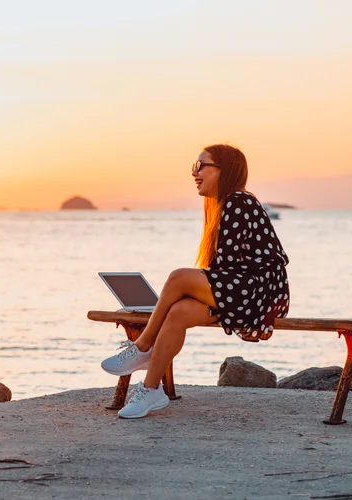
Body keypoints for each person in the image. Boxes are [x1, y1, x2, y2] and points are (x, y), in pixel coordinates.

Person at [100, 143, 290, 419]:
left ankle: (142, 346)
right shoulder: (222, 206)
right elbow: (223, 270)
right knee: (178, 312)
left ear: (223, 170)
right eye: (194, 166)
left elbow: (228, 270)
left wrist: (189, 288)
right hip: (241, 290)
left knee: (178, 277)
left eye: (201, 166)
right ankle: (151, 389)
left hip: (258, 289)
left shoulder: (239, 200)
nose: (194, 173)